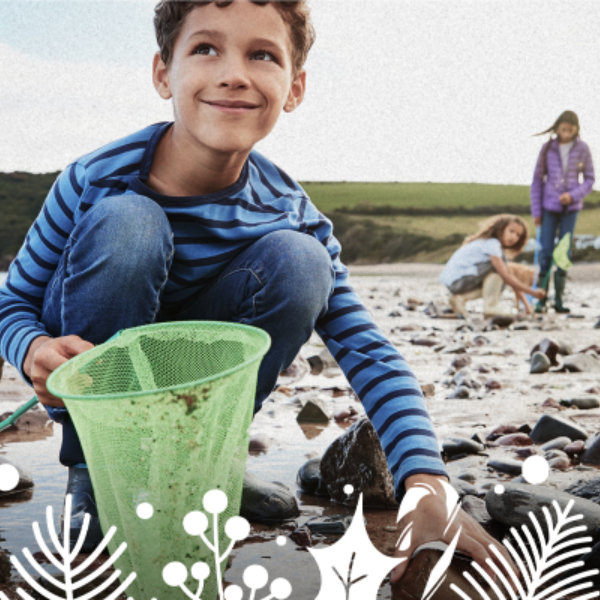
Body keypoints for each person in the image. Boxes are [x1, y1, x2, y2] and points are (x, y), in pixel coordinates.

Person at [0, 0, 513, 584]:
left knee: (301, 261)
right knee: (129, 223)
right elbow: (9, 304)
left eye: (262, 55)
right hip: (100, 387)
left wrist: (427, 482)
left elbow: (368, 351)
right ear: (163, 72)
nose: (234, 72)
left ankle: (201, 464)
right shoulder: (93, 178)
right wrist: (31, 348)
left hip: (201, 379)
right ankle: (96, 476)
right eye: (205, 49)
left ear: (293, 87)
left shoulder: (290, 212)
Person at [530, 110, 595, 313]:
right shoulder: (547, 148)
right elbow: (537, 182)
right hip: (549, 207)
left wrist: (574, 195)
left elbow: (590, 179)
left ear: (576, 129)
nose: (566, 133)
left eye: (570, 129)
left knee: (563, 253)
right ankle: (541, 298)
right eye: (563, 129)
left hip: (570, 209)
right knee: (546, 252)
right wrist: (536, 213)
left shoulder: (583, 149)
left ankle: (558, 300)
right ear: (557, 127)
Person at [439, 214, 545, 318]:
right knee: (500, 273)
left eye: (518, 235)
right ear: (500, 229)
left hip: (455, 282)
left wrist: (527, 307)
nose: (514, 237)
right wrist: (532, 292)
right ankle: (490, 307)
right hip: (459, 281)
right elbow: (506, 276)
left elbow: (510, 276)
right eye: (511, 231)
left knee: (503, 273)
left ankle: (460, 298)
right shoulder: (492, 244)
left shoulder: (487, 243)